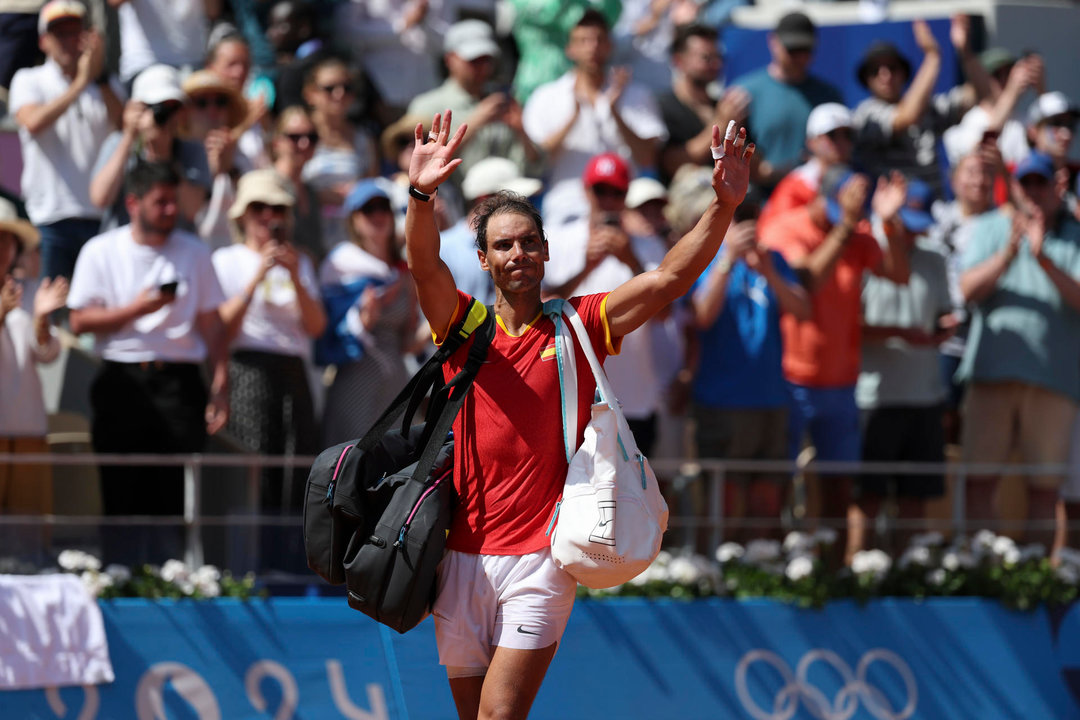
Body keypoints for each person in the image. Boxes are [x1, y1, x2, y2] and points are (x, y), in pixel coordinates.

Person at [404, 108, 752, 720]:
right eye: (503, 245)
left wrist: (723, 206)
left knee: (496, 717)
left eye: (528, 242)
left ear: (545, 249)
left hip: (542, 558)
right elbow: (424, 265)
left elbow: (669, 278)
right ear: (483, 260)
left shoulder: (579, 324)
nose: (518, 253)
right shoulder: (462, 326)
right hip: (457, 558)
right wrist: (421, 194)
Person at [67, 161, 229, 566]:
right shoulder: (100, 250)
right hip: (120, 380)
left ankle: (169, 583)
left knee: (173, 494)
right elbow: (79, 320)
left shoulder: (195, 252)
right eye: (161, 202)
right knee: (121, 490)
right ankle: (121, 582)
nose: (171, 210)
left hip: (181, 383)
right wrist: (138, 309)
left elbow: (212, 325)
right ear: (133, 203)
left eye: (173, 202)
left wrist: (221, 384)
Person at [759, 166, 910, 562]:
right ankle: (772, 564)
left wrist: (889, 222)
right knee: (777, 484)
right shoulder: (786, 227)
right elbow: (806, 278)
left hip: (841, 383)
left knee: (839, 488)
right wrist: (845, 227)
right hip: (788, 378)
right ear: (818, 197)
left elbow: (898, 274)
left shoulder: (856, 231)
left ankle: (831, 572)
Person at [957, 151, 1080, 551]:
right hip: (989, 376)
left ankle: (1035, 583)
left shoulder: (1074, 234)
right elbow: (966, 291)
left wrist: (1042, 256)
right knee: (979, 482)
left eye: (1040, 182)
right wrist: (1009, 254)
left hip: (1053, 383)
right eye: (1025, 182)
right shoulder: (992, 226)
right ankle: (982, 572)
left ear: (1055, 187)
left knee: (1045, 492)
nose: (1033, 191)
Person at [213, 169, 325, 572]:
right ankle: (250, 565)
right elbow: (220, 326)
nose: (268, 217)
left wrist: (292, 274)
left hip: (293, 370)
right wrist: (258, 273)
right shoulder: (226, 261)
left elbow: (315, 326)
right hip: (247, 368)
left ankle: (290, 563)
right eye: (258, 208)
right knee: (255, 469)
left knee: (296, 468)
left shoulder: (300, 263)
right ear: (242, 215)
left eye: (276, 208)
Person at [688, 189, 810, 541]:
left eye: (752, 216)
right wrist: (727, 260)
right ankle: (718, 569)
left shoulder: (774, 260)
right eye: (738, 216)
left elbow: (803, 310)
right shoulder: (706, 259)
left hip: (771, 400)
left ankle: (759, 568)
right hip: (721, 402)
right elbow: (701, 317)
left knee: (767, 499)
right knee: (723, 500)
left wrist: (770, 271)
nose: (747, 224)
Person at [852, 180, 954, 555]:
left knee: (915, 502)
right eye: (904, 222)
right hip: (873, 398)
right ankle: (856, 577)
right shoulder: (864, 251)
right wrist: (899, 333)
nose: (912, 231)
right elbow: (849, 327)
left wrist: (945, 326)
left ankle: (910, 582)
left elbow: (941, 314)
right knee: (867, 499)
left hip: (924, 396)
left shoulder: (935, 258)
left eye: (918, 223)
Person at [544, 152, 669, 455]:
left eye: (617, 192)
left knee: (635, 500)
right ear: (587, 192)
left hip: (633, 398)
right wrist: (585, 268)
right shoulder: (560, 239)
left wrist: (632, 261)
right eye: (601, 190)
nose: (608, 200)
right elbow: (540, 307)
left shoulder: (649, 246)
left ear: (626, 196)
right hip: (573, 396)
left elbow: (665, 313)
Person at [522, 9, 667, 233]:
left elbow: (647, 157)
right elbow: (537, 159)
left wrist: (614, 112)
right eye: (583, 40)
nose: (592, 47)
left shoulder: (636, 95)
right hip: (567, 207)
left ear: (610, 46)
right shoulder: (547, 96)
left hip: (626, 208)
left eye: (599, 40)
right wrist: (573, 117)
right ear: (570, 48)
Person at [9, 0, 123, 281]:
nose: (69, 41)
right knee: (52, 313)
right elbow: (33, 121)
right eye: (59, 33)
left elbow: (125, 127)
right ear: (43, 41)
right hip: (49, 219)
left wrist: (99, 76)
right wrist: (80, 84)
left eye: (75, 32)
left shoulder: (107, 84)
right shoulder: (29, 79)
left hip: (101, 219)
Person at [319, 179, 423, 445]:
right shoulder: (339, 266)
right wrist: (363, 320)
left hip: (395, 384)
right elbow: (323, 332)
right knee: (349, 466)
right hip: (355, 379)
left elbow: (407, 343)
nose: (378, 216)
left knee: (392, 468)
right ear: (353, 219)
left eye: (383, 208)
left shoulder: (405, 273)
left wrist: (440, 326)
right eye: (369, 210)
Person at [852, 16, 990, 201]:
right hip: (894, 216)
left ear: (904, 73)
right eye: (875, 70)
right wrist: (932, 57)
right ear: (867, 79)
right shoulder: (865, 115)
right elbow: (907, 116)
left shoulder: (928, 107)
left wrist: (965, 51)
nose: (885, 75)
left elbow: (982, 93)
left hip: (935, 214)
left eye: (892, 68)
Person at [0, 198, 66, 560]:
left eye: (9, 240)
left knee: (26, 544)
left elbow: (47, 353)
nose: (4, 248)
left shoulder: (27, 292)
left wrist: (41, 320)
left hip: (26, 430)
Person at [407, 19, 542, 192]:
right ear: (450, 59)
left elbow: (536, 166)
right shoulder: (425, 107)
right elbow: (421, 167)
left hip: (508, 202)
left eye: (486, 59)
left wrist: (521, 132)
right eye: (473, 60)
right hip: (449, 208)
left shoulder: (506, 100)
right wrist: (477, 121)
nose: (482, 67)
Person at [90, 64, 212, 233]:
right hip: (124, 252)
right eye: (155, 106)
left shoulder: (192, 150)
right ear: (135, 108)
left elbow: (192, 210)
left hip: (176, 251)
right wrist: (129, 137)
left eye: (173, 107)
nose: (164, 115)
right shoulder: (117, 144)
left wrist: (164, 154)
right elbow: (100, 198)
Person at [734, 11, 843, 194]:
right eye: (792, 49)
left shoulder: (830, 96)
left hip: (818, 200)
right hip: (763, 202)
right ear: (773, 42)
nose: (799, 57)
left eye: (805, 49)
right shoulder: (743, 95)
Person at [441, 157, 543, 306]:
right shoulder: (444, 248)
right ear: (485, 198)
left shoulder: (527, 245)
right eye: (512, 200)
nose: (523, 205)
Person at [301, 57, 379, 248]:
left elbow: (372, 189)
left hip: (351, 239)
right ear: (310, 94)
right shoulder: (297, 133)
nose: (339, 94)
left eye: (347, 88)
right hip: (307, 234)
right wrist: (322, 195)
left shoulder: (364, 139)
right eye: (329, 88)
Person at [657, 22, 749, 182]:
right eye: (706, 58)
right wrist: (721, 124)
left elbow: (749, 165)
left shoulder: (724, 107)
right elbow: (673, 164)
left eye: (718, 57)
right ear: (679, 60)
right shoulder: (664, 106)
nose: (716, 64)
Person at [758, 102, 854, 228]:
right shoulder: (793, 185)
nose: (841, 142)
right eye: (832, 135)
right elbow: (776, 235)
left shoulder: (859, 180)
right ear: (811, 142)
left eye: (847, 134)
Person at [271, 105, 324, 263]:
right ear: (276, 142)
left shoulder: (311, 191)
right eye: (294, 137)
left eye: (311, 137)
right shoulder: (268, 185)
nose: (304, 143)